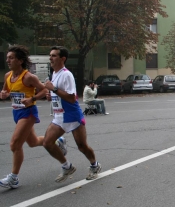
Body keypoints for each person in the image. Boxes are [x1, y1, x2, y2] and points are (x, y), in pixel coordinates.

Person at [0, 45, 57, 188]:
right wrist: (4, 94)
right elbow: (6, 91)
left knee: (15, 144)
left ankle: (14, 178)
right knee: (33, 142)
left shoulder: (29, 77)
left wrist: (31, 99)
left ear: (19, 60)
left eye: (11, 58)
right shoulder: (8, 76)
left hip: (28, 113)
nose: (8, 60)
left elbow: (44, 90)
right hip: (16, 112)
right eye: (7, 58)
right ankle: (56, 141)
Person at [43, 46, 101, 182]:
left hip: (72, 115)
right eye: (50, 55)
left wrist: (54, 89)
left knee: (82, 146)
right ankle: (67, 166)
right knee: (47, 143)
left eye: (54, 56)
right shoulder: (54, 73)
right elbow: (58, 94)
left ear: (63, 58)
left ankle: (95, 165)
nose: (50, 58)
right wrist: (51, 96)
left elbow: (71, 97)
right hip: (59, 116)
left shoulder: (66, 74)